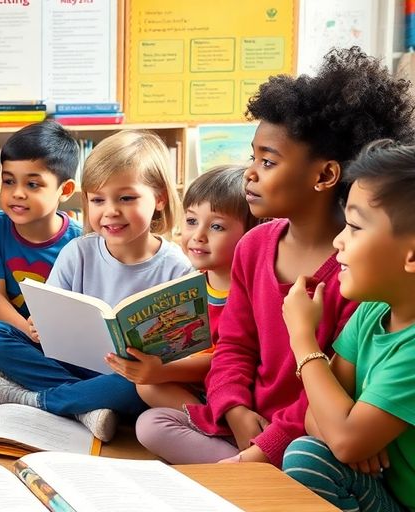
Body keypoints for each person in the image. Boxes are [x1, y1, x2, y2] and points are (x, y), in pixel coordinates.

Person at [136, 47, 415, 468]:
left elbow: (334, 393)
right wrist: (234, 409)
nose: (249, 173)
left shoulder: (360, 272)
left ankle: (247, 470)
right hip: (249, 420)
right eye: (253, 158)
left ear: (324, 176)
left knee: (302, 457)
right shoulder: (254, 245)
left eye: (268, 162)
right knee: (151, 423)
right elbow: (234, 345)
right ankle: (242, 466)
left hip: (310, 429)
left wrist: (267, 446)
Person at [0, 130, 192, 442]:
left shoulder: (178, 268)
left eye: (126, 198)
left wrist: (153, 366)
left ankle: (36, 399)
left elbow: (179, 351)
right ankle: (85, 406)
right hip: (69, 361)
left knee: (136, 389)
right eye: (98, 200)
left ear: (159, 199)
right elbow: (48, 315)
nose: (111, 211)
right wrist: (39, 326)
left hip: (125, 376)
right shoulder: (78, 250)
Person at [282, 140, 415, 511]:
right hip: (384, 489)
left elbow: (343, 439)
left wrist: (302, 338)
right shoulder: (372, 311)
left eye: (355, 227)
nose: (338, 241)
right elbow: (315, 419)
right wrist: (347, 435)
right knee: (309, 453)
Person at [112, 165, 258, 410]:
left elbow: (230, 360)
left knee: (145, 392)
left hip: (232, 391)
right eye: (191, 221)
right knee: (141, 388)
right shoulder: (191, 283)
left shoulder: (248, 293)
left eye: (217, 226)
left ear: (252, 234)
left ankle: (215, 425)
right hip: (194, 386)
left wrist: (163, 371)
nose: (198, 236)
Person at [0, 121, 82, 345]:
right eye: (9, 181)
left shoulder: (80, 241)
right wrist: (30, 333)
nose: (17, 193)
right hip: (15, 333)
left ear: (65, 190)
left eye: (32, 184)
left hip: (58, 340)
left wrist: (45, 339)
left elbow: (74, 315)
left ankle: (44, 379)